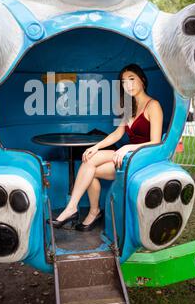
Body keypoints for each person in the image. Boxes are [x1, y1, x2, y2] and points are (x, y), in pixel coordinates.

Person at [51, 64, 164, 231]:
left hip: (141, 158)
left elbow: (155, 143)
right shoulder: (128, 106)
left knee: (90, 172)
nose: (128, 85)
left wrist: (128, 148)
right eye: (124, 82)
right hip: (126, 155)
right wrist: (96, 147)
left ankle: (90, 211)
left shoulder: (153, 105)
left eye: (132, 79)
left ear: (143, 80)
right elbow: (117, 134)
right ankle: (74, 208)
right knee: (89, 160)